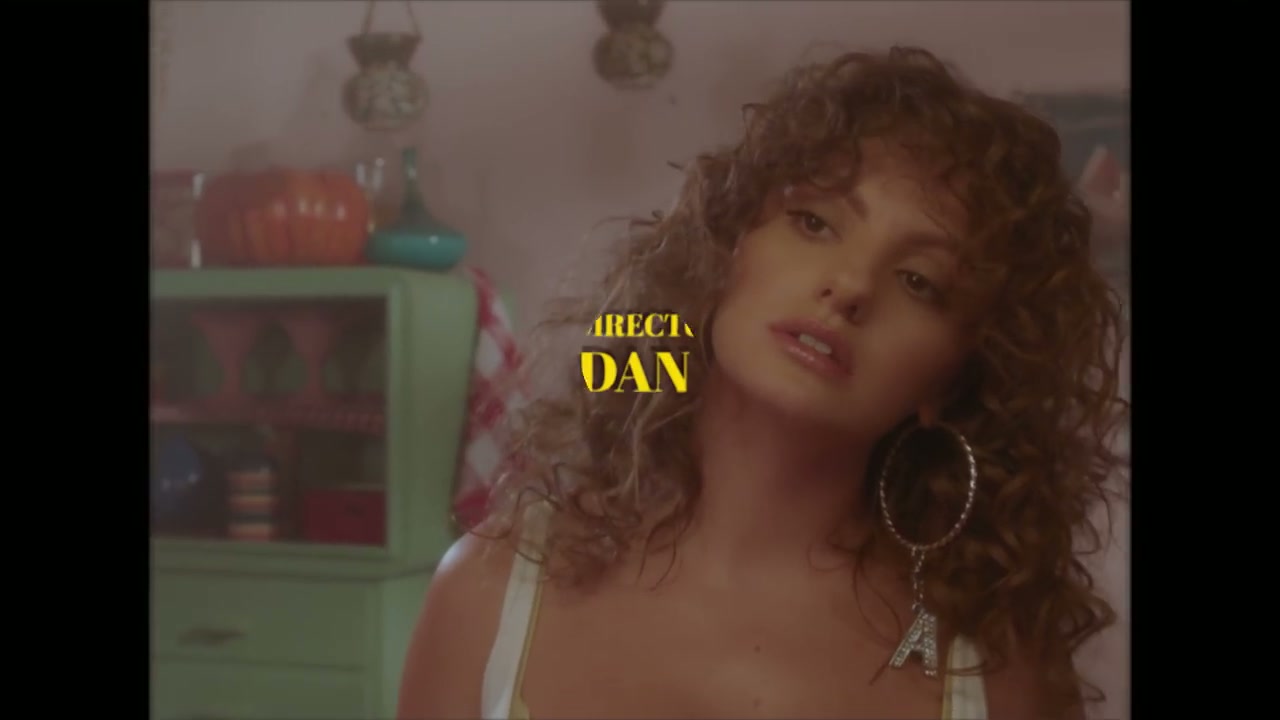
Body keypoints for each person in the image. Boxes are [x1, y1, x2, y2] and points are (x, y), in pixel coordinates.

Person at [398, 45, 1128, 720]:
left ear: (954, 380)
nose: (851, 285)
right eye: (814, 223)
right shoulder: (491, 590)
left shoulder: (995, 670)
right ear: (724, 251)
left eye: (919, 280)